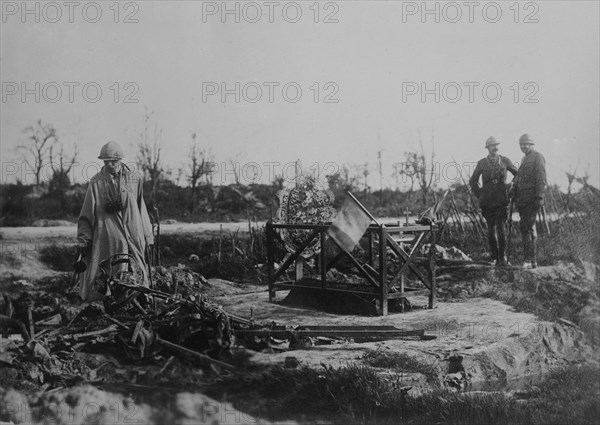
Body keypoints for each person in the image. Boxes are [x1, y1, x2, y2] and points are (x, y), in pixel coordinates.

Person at [76, 141, 154, 301]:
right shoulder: (96, 182)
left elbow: (141, 207)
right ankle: (107, 305)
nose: (110, 165)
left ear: (120, 159)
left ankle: (138, 301)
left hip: (133, 236)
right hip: (107, 240)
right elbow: (86, 214)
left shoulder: (134, 179)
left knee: (136, 272)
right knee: (106, 275)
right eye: (106, 161)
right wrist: (84, 239)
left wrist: (147, 236)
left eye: (114, 161)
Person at [469, 136, 518, 266]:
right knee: (491, 229)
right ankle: (494, 257)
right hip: (488, 200)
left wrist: (511, 186)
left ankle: (503, 257)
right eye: (492, 146)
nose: (495, 148)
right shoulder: (482, 163)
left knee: (502, 229)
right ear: (488, 148)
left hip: (502, 199)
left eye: (496, 145)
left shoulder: (505, 160)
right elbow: (473, 181)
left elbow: (517, 174)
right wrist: (480, 194)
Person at [512, 133, 546, 269]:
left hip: (532, 199)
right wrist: (513, 188)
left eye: (526, 144)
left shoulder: (538, 157)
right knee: (527, 228)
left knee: (527, 229)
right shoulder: (524, 159)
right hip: (523, 200)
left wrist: (539, 197)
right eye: (521, 144)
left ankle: (529, 260)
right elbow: (519, 178)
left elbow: (541, 179)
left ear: (531, 144)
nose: (523, 146)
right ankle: (532, 261)